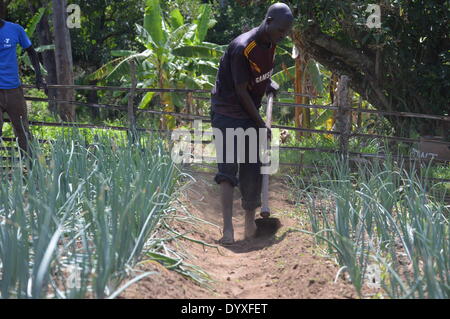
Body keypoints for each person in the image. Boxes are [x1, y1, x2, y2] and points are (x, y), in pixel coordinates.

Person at [210, 3, 294, 245]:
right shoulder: (241, 48)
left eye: (286, 32)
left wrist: (267, 84)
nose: (283, 36)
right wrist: (260, 124)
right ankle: (227, 230)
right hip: (227, 112)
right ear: (268, 22)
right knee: (227, 170)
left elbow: (255, 77)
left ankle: (249, 225)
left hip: (248, 113)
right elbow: (240, 91)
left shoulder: (271, 45)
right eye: (280, 31)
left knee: (252, 167)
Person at [0, 18, 47, 156]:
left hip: (14, 89)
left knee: (23, 130)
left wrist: (39, 76)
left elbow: (31, 52)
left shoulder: (15, 29)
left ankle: (30, 168)